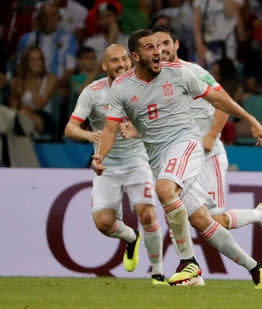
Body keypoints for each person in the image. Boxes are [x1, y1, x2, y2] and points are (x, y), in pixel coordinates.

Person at [91, 29, 262, 289]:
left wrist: (251, 119)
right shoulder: (121, 87)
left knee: (164, 190)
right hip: (158, 159)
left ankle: (188, 263)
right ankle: (255, 268)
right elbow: (109, 128)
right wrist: (100, 156)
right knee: (201, 220)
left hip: (186, 145)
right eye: (150, 47)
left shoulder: (180, 73)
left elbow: (219, 98)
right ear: (135, 56)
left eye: (159, 46)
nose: (158, 51)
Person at [121, 24, 262, 242]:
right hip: (181, 157)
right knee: (174, 215)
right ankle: (190, 269)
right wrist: (136, 131)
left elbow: (223, 101)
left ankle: (260, 215)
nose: (162, 49)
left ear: (176, 45)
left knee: (214, 221)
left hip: (207, 155)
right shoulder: (154, 81)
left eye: (166, 43)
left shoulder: (192, 72)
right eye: (157, 45)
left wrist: (212, 135)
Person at [64, 44, 167, 285]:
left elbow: (161, 126)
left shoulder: (147, 89)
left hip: (138, 160)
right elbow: (70, 128)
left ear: (131, 61)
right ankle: (131, 238)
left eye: (124, 59)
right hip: (106, 165)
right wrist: (90, 135)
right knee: (103, 223)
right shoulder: (92, 92)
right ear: (104, 66)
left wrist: (137, 131)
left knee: (147, 214)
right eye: (114, 61)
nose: (121, 64)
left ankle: (158, 273)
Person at [10, 46, 57, 135]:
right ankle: (29, 134)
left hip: (44, 117)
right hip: (21, 114)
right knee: (20, 115)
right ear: (25, 63)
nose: (37, 63)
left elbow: (40, 105)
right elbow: (13, 108)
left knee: (23, 115)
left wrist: (32, 82)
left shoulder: (51, 79)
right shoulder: (17, 81)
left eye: (39, 59)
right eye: (32, 60)